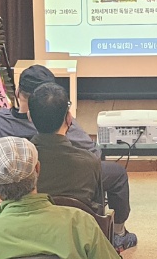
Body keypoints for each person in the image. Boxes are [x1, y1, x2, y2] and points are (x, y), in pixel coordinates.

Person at [0, 65, 137, 250]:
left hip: (21, 189)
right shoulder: (64, 125)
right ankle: (119, 234)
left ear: (18, 93)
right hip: (72, 181)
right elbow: (93, 154)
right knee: (115, 173)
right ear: (67, 117)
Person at [28, 83, 104, 215]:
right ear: (69, 118)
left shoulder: (19, 163)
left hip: (31, 226)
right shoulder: (90, 162)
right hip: (78, 226)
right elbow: (97, 210)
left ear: (29, 117)